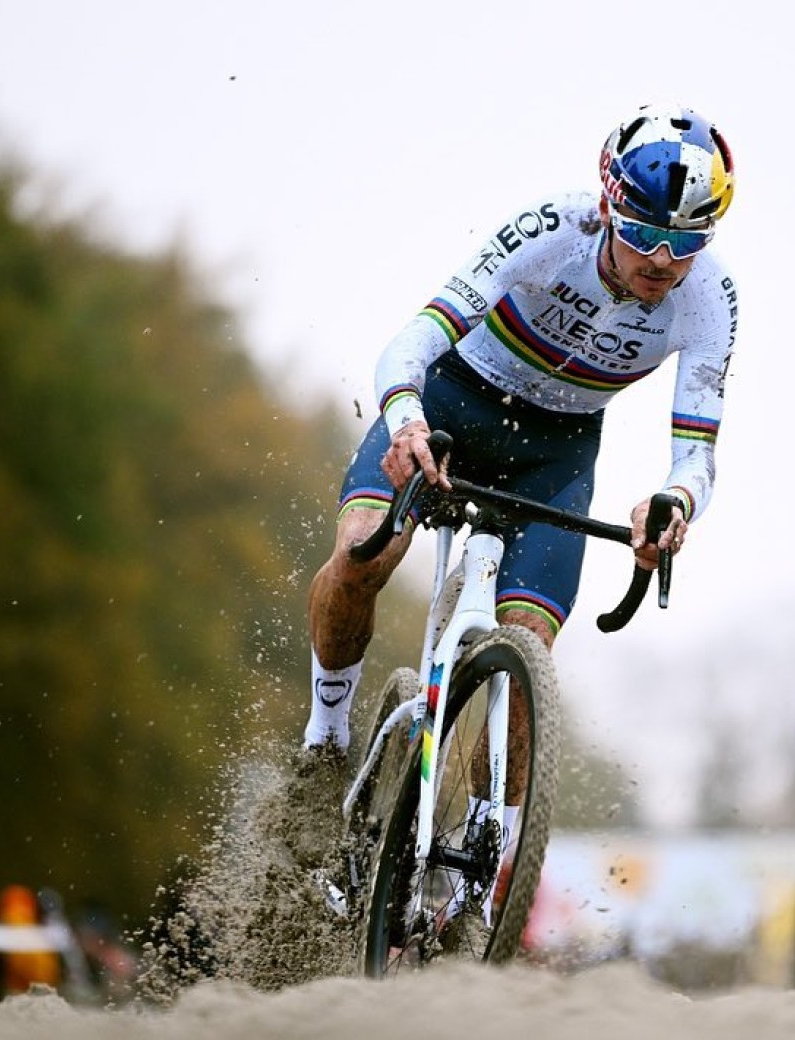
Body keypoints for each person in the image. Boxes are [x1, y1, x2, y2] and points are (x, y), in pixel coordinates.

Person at [292, 104, 739, 851]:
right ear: (609, 207)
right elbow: (416, 338)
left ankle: (488, 848)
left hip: (554, 458)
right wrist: (404, 422)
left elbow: (697, 452)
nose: (661, 261)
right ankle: (325, 738)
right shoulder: (553, 232)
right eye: (645, 236)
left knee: (529, 643)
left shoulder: (710, 299)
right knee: (366, 544)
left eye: (685, 243)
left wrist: (672, 502)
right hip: (451, 406)